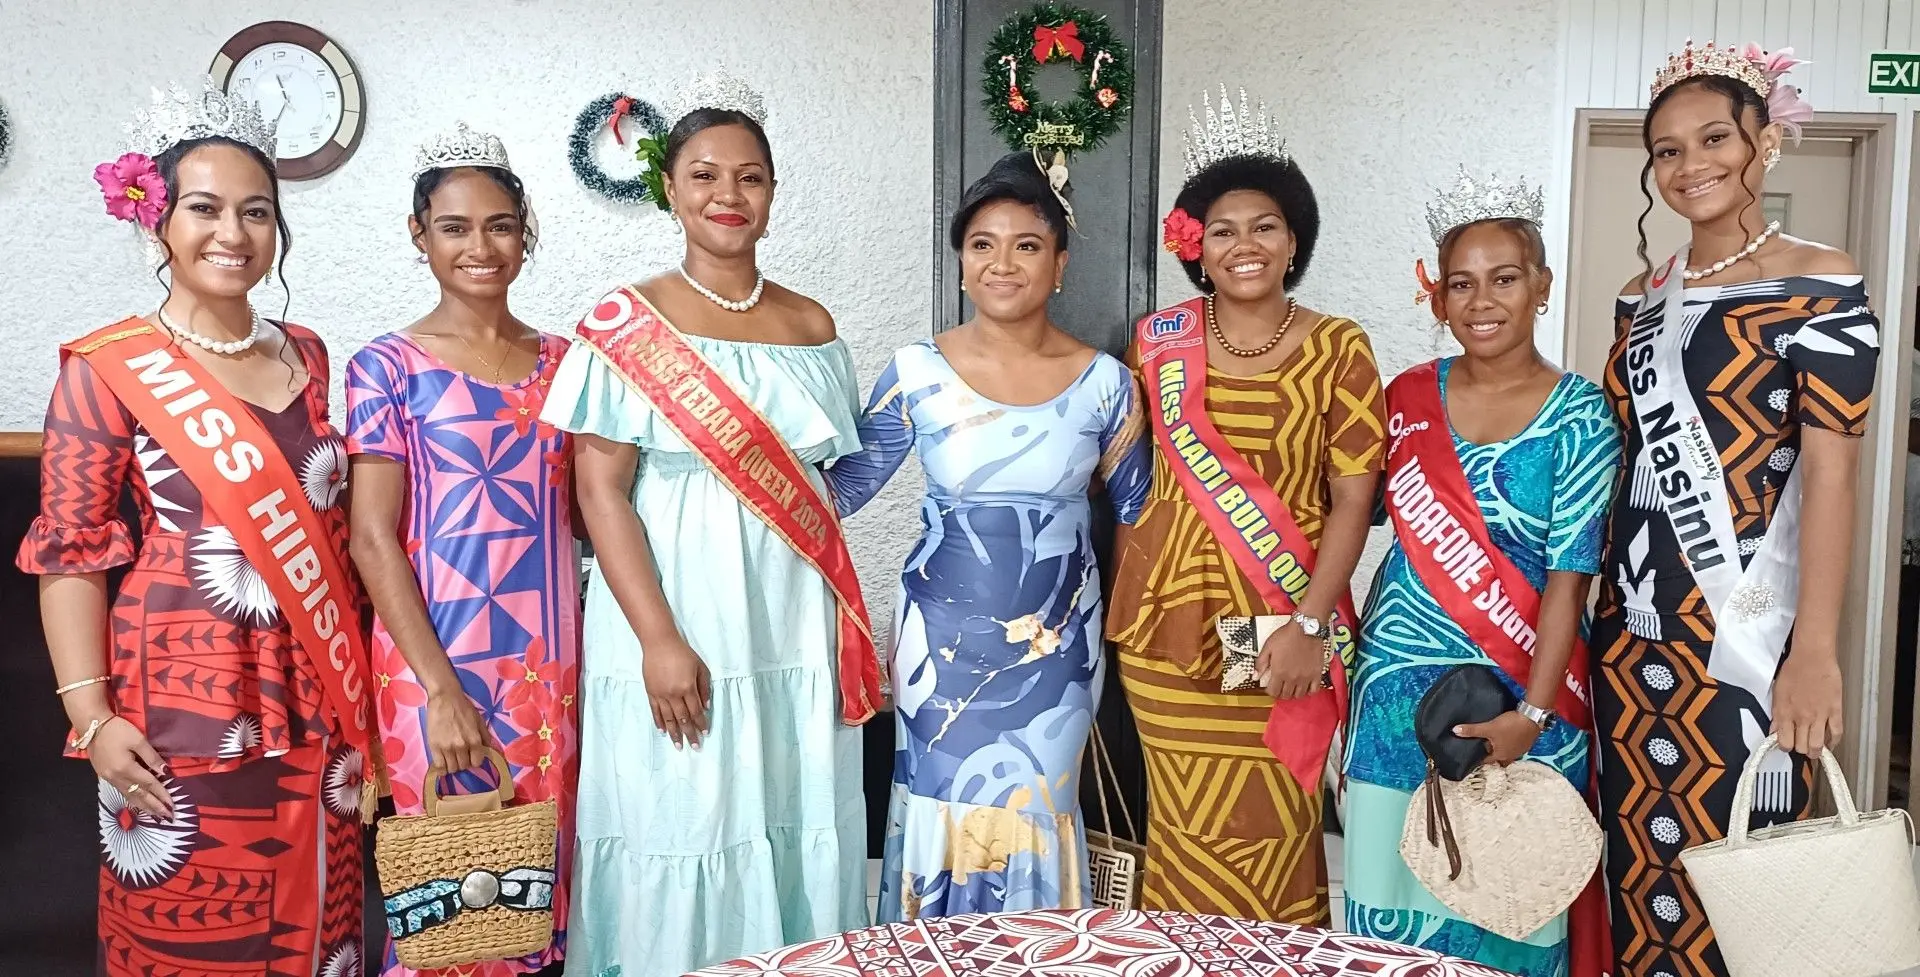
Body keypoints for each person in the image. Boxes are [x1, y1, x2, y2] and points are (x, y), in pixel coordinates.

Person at [17, 78, 368, 975]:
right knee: (191, 923)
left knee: (318, 926)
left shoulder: (313, 356)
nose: (234, 234)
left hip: (318, 692)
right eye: (205, 208)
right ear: (158, 221)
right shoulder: (108, 368)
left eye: (257, 211)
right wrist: (91, 717)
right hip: (179, 701)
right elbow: (70, 556)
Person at [539, 71, 880, 977]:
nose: (728, 195)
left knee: (788, 797)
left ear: (772, 193)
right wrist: (657, 638)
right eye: (704, 175)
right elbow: (600, 489)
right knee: (683, 808)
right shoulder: (625, 322)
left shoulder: (812, 324)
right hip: (674, 596)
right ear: (670, 189)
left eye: (750, 177)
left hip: (789, 607)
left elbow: (824, 484)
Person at [1594, 41, 1879, 977]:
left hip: (1750, 636)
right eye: (1666, 150)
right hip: (1633, 633)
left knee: (1749, 879)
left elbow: (1833, 476)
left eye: (1715, 137)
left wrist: (1816, 651)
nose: (1691, 164)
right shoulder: (1642, 298)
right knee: (1642, 871)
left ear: (1765, 141)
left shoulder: (1821, 280)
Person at [828, 152, 1151, 921]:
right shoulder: (916, 370)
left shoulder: (1108, 383)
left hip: (1059, 656)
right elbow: (837, 492)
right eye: (982, 244)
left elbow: (1142, 513)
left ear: (1061, 263)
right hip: (939, 646)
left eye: (1027, 244)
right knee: (942, 807)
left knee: (1039, 804)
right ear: (962, 264)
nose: (1002, 261)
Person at [1107, 86, 1386, 924]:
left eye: (1264, 224)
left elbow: (1353, 497)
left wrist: (1311, 623)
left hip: (1279, 623)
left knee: (1274, 827)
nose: (1245, 244)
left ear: (1293, 236)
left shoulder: (1341, 346)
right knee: (1185, 829)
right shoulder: (1157, 341)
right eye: (1222, 229)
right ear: (1197, 246)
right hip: (1168, 628)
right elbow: (1118, 475)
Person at [1343, 172, 1621, 977]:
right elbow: (1349, 513)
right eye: (1460, 283)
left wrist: (1532, 715)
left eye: (1504, 278)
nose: (1481, 300)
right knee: (1385, 911)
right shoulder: (1403, 397)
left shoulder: (1579, 412)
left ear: (1542, 286)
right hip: (1394, 698)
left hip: (1521, 698)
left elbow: (1571, 579)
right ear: (1438, 297)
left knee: (1507, 907)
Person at [346, 123, 576, 977]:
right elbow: (372, 535)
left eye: (500, 225)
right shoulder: (386, 366)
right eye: (454, 227)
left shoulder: (566, 363)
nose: (480, 246)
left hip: (549, 666)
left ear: (525, 231)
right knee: (450, 902)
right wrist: (439, 692)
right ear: (419, 235)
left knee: (536, 902)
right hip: (434, 664)